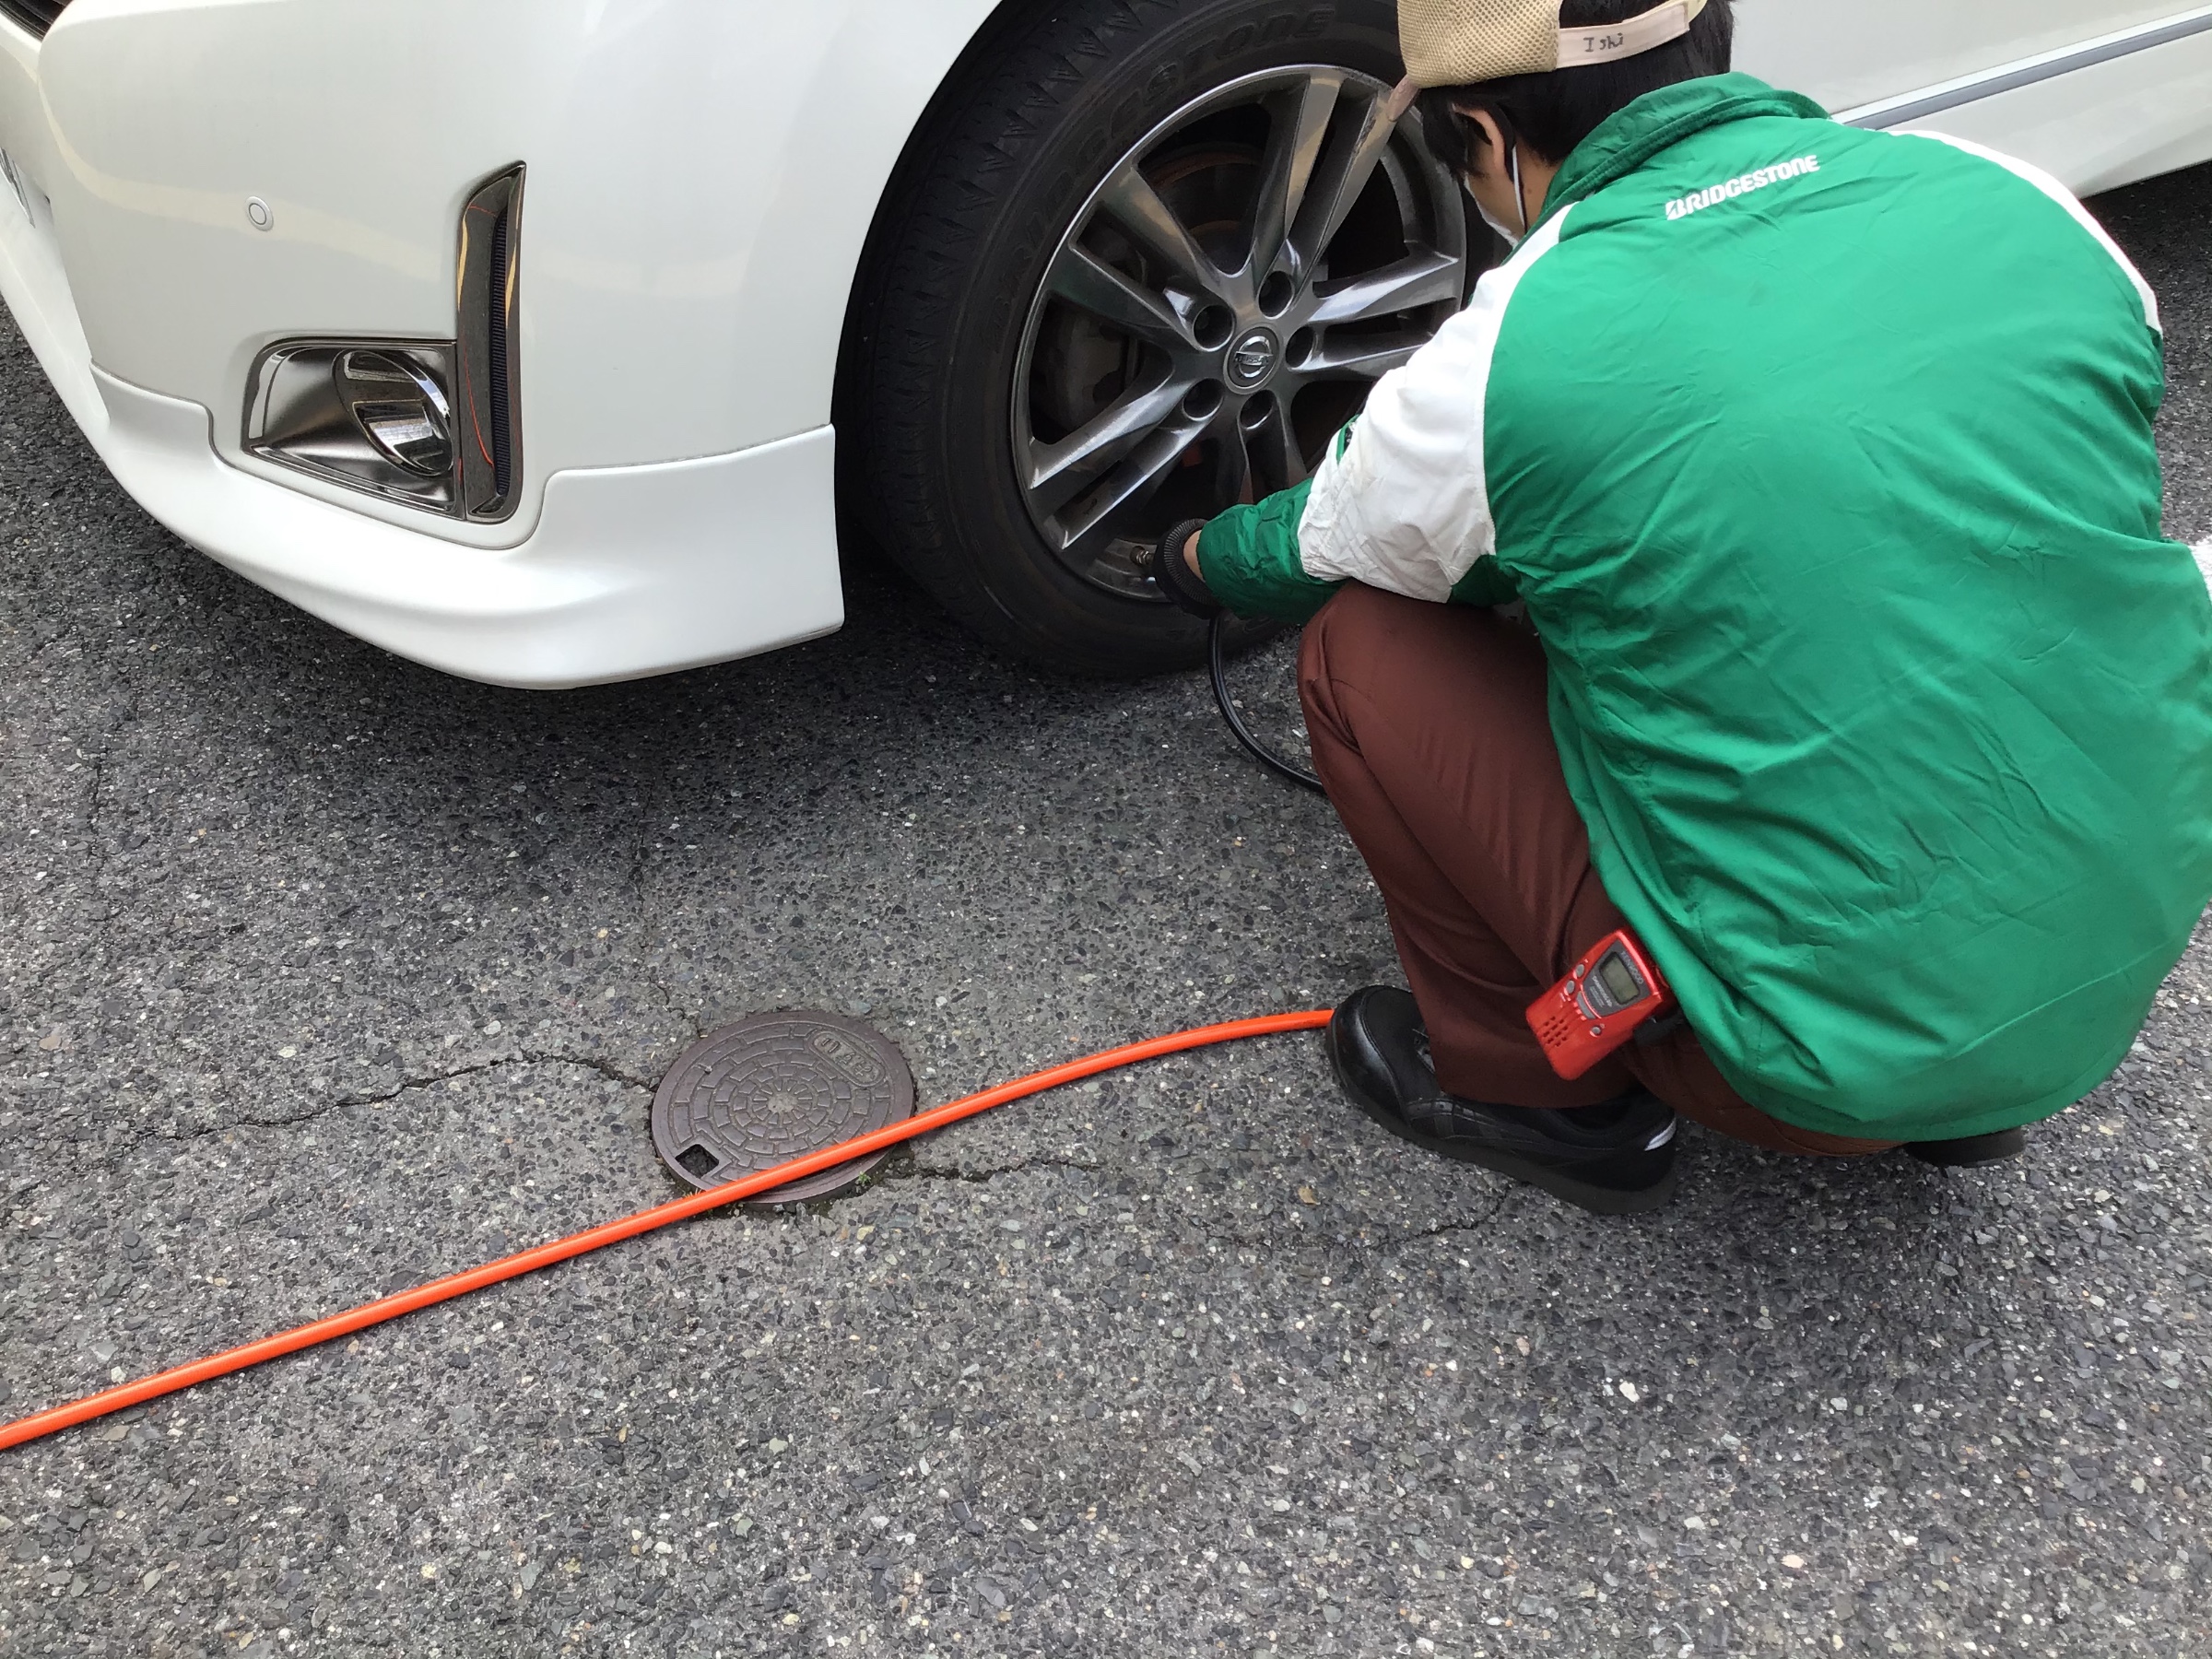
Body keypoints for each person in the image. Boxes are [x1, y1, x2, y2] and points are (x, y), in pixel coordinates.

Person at [1147, 0, 2212, 1213]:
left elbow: (1322, 544)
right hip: (2106, 973)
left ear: (1485, 135)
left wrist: (1188, 559)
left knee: (1362, 647)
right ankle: (1973, 1097)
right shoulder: (2012, 194)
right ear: (1711, 41)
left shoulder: (1521, 348)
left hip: (1788, 1069)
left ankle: (1539, 1094)